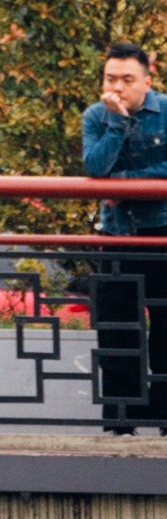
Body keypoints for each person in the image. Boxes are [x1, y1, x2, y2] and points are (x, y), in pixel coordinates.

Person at [83, 42, 167, 432]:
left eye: (127, 80)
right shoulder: (97, 117)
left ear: (147, 82)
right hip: (117, 236)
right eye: (110, 78)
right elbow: (94, 168)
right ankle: (120, 422)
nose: (117, 87)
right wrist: (116, 123)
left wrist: (123, 185)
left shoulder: (165, 111)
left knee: (165, 330)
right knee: (117, 333)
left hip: (161, 234)